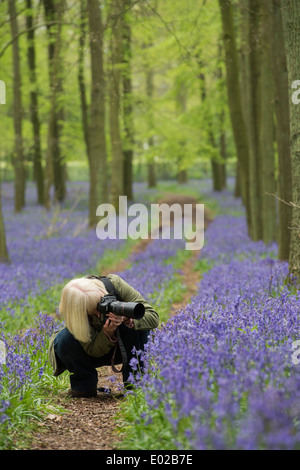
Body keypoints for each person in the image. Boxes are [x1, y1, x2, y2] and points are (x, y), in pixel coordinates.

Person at [48, 273, 159, 398]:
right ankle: (84, 386)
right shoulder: (77, 312)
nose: (104, 307)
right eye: (97, 307)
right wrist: (107, 333)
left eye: (103, 300)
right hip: (96, 351)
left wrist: (127, 318)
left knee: (139, 326)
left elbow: (153, 317)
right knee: (64, 339)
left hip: (128, 345)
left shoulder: (113, 284)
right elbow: (93, 351)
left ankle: (136, 385)